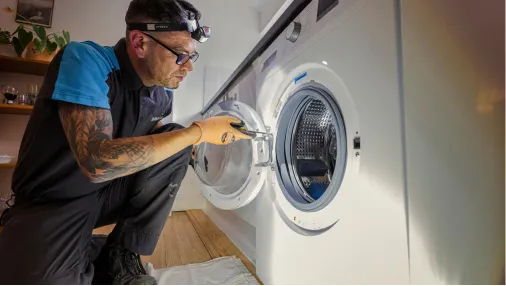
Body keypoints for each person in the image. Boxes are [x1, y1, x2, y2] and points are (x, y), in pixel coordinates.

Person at [0, 0, 251, 284]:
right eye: (180, 55)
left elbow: (160, 148)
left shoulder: (162, 94)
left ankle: (120, 254)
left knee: (175, 142)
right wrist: (198, 132)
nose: (188, 67)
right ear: (140, 42)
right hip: (51, 203)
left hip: (103, 196)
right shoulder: (86, 60)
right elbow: (96, 163)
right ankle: (77, 248)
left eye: (191, 57)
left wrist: (194, 148)